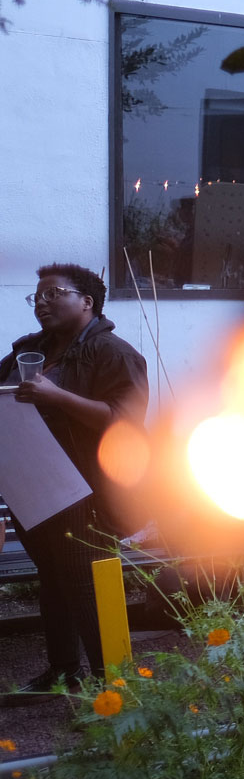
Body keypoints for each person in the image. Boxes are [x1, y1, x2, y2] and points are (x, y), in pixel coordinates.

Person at [1, 265, 148, 691]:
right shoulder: (26, 351)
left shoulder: (114, 354)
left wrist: (55, 396)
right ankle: (65, 672)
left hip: (85, 490)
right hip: (31, 485)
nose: (42, 302)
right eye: (37, 296)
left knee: (90, 587)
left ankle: (117, 689)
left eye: (54, 293)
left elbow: (126, 422)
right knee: (53, 579)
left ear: (87, 301)